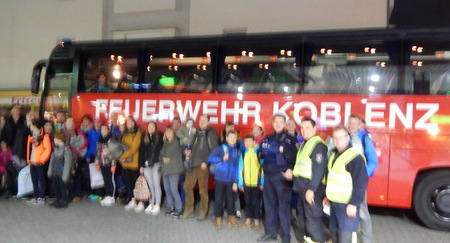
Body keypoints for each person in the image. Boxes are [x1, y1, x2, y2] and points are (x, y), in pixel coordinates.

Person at [323, 126, 368, 243]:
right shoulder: (333, 156)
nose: (337, 140)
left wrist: (354, 203)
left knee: (345, 238)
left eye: (341, 137)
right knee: (335, 235)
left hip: (347, 206)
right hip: (334, 204)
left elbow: (361, 183)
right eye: (335, 138)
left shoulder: (355, 157)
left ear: (348, 138)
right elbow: (332, 179)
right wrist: (327, 196)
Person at [258, 114, 298, 243]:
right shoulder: (267, 138)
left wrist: (290, 169)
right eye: (276, 122)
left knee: (284, 208)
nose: (279, 124)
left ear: (285, 124)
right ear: (273, 123)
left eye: (281, 122)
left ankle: (286, 237)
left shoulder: (290, 139)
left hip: (282, 177)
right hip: (268, 176)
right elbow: (260, 155)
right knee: (269, 206)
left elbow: (294, 157)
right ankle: (271, 233)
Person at [293, 117, 328, 243]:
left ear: (314, 128)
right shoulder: (305, 143)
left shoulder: (318, 145)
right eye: (302, 128)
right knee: (304, 221)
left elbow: (319, 170)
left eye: (307, 127)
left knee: (313, 222)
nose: (304, 130)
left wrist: (311, 189)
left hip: (311, 190)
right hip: (302, 189)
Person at [347, 114, 378, 243]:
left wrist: (362, 175)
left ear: (359, 125)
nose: (351, 125)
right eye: (350, 123)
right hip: (344, 182)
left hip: (358, 182)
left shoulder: (365, 140)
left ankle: (366, 240)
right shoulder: (344, 137)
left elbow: (373, 161)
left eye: (354, 123)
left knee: (363, 212)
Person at [182, 114, 219, 221]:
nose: (202, 122)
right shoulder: (197, 132)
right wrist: (188, 152)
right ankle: (189, 210)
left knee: (202, 190)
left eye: (204, 120)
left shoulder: (211, 132)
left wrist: (206, 162)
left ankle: (203, 211)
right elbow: (193, 147)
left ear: (208, 122)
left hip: (202, 165)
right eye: (200, 120)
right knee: (187, 187)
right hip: (193, 164)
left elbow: (214, 150)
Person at [209, 130, 240, 229]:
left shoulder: (237, 151)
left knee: (231, 200)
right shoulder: (220, 148)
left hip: (231, 180)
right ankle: (218, 218)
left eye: (234, 138)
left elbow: (237, 167)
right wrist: (221, 159)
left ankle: (231, 217)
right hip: (220, 179)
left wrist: (236, 181)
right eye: (230, 137)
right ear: (226, 138)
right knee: (218, 199)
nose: (232, 139)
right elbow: (210, 159)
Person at [135, 121, 163, 215]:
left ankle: (157, 204)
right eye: (149, 126)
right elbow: (141, 153)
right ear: (147, 128)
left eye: (153, 127)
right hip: (146, 164)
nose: (151, 128)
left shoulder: (160, 137)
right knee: (150, 185)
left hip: (156, 163)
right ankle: (151, 203)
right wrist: (141, 166)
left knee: (156, 184)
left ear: (155, 128)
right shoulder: (144, 138)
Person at [238, 135, 263, 230]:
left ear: (253, 142)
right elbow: (240, 169)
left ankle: (256, 219)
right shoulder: (243, 154)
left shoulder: (259, 153)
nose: (247, 143)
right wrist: (241, 183)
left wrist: (262, 182)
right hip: (246, 183)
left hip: (257, 183)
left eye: (249, 141)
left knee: (257, 202)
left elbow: (262, 169)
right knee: (247, 202)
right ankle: (248, 218)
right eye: (246, 142)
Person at [159, 127, 185, 219]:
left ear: (174, 133)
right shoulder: (165, 143)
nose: (168, 133)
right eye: (167, 131)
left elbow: (169, 153)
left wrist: (164, 157)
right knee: (167, 190)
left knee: (174, 190)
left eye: (170, 131)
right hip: (165, 170)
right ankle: (170, 207)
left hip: (174, 170)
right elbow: (160, 154)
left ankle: (179, 209)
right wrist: (163, 158)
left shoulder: (176, 142)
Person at [26, 119, 52, 206]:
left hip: (39, 161)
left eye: (31, 125)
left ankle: (42, 196)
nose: (30, 127)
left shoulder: (44, 136)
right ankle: (36, 196)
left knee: (41, 179)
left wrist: (42, 160)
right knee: (34, 179)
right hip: (32, 161)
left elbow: (48, 149)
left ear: (34, 126)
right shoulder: (31, 136)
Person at [64, 117, 88, 202]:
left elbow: (84, 142)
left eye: (72, 121)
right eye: (69, 121)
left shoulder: (78, 131)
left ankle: (77, 194)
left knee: (77, 176)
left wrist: (76, 149)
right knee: (66, 175)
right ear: (65, 123)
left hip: (77, 158)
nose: (71, 123)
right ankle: (67, 194)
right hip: (66, 158)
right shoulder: (62, 132)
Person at [121, 116, 142, 208]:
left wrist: (123, 157)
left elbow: (133, 148)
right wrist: (122, 158)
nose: (129, 123)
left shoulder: (138, 133)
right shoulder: (125, 134)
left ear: (134, 123)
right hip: (126, 163)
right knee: (129, 183)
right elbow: (121, 147)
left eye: (131, 121)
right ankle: (132, 200)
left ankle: (140, 201)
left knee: (136, 183)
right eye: (127, 122)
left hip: (134, 163)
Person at [47, 131, 73, 208]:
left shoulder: (66, 150)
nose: (54, 141)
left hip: (62, 173)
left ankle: (64, 200)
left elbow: (67, 163)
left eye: (55, 139)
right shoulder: (56, 149)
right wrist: (50, 171)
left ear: (59, 139)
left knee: (63, 187)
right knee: (56, 186)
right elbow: (52, 161)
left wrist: (65, 176)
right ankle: (57, 199)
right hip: (56, 172)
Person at [96, 125, 116, 207]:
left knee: (110, 179)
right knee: (105, 179)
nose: (103, 131)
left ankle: (112, 196)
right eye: (102, 129)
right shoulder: (99, 140)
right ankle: (107, 195)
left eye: (105, 129)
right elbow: (97, 151)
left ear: (108, 130)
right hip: (102, 163)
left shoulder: (112, 139)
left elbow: (115, 152)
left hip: (109, 162)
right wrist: (97, 161)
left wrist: (113, 163)